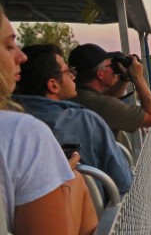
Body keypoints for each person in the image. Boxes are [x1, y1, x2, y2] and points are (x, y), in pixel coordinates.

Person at [0, 6, 97, 235]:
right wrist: (63, 174)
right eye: (9, 46)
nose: (21, 56)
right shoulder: (22, 132)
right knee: (76, 180)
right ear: (53, 85)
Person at [13, 44, 133, 195]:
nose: (73, 76)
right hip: (92, 215)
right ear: (53, 85)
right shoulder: (86, 121)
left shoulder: (9, 119)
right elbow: (123, 182)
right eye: (68, 71)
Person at [68, 43, 151, 145]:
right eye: (112, 65)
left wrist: (124, 78)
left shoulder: (74, 96)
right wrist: (138, 78)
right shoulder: (103, 106)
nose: (115, 70)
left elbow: (105, 98)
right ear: (100, 74)